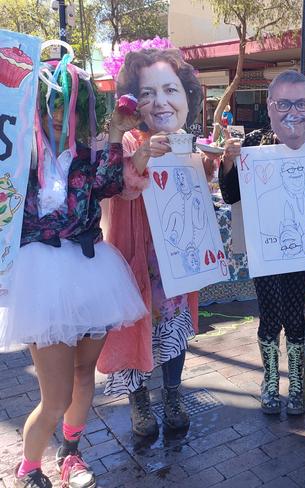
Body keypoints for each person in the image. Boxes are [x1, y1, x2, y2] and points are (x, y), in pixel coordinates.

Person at [1, 60, 147, 488]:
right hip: (41, 280)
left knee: (86, 376)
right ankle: (28, 468)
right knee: (56, 395)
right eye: (54, 104)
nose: (62, 115)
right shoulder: (16, 161)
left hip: (91, 272)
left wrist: (119, 131)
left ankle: (69, 454)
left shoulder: (89, 158)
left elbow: (109, 185)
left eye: (72, 105)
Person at [217, 70, 305, 415]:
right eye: (285, 103)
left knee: (297, 318)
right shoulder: (253, 144)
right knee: (270, 317)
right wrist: (228, 163)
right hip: (266, 249)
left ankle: (297, 382)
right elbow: (232, 196)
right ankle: (270, 382)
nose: (294, 111)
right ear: (271, 106)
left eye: (302, 103)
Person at [97, 48, 206, 438]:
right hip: (134, 259)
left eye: (170, 90)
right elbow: (117, 185)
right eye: (147, 93)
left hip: (174, 260)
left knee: (174, 326)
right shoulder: (123, 139)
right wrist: (143, 153)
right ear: (133, 100)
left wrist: (220, 160)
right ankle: (139, 401)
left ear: (184, 96)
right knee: (134, 328)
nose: (160, 101)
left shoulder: (186, 141)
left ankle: (173, 394)